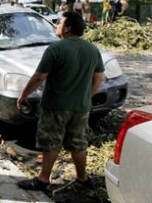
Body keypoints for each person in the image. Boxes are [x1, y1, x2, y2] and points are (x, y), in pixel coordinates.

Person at [16, 12, 105, 192]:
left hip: (56, 106)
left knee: (51, 143)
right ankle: (82, 178)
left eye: (59, 22)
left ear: (67, 28)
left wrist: (23, 95)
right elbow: (99, 78)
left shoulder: (56, 49)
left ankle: (43, 180)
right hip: (81, 107)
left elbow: (39, 76)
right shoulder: (92, 49)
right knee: (78, 143)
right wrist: (87, 97)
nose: (57, 25)